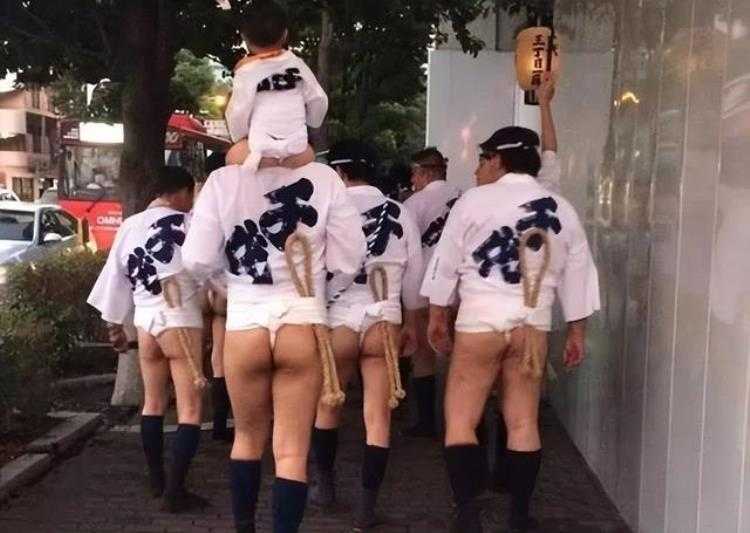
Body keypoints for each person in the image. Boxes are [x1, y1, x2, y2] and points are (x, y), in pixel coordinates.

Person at [422, 125, 600, 532]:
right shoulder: (560, 208)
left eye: (483, 159)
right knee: (523, 422)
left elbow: (446, 262)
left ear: (498, 160)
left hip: (479, 322)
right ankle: (519, 516)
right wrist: (577, 330)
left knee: (461, 420)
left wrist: (436, 315)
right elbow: (578, 273)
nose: (479, 168)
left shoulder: (473, 201)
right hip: (531, 326)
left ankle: (468, 514)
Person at [182, 154, 366, 533]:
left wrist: (230, 287)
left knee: (247, 438)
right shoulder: (325, 178)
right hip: (301, 320)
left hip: (246, 321)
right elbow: (350, 260)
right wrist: (320, 295)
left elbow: (197, 259)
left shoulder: (223, 180)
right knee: (292, 452)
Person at [309, 140, 423, 529]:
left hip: (338, 317)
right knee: (378, 417)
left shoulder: (328, 211)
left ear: (340, 172)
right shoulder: (400, 212)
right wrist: (412, 322)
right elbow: (414, 276)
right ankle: (366, 508)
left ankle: (325, 489)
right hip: (384, 320)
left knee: (328, 405)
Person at [88, 166, 206, 512]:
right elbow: (208, 270)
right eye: (191, 193)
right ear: (181, 192)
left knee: (152, 403)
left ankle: (156, 481)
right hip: (181, 322)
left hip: (146, 323)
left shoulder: (130, 225)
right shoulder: (190, 225)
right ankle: (175, 491)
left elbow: (114, 278)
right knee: (190, 409)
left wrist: (114, 326)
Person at [224, 0, 327, 172]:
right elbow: (319, 100)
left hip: (259, 148)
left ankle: (263, 169)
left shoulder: (246, 71)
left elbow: (237, 113)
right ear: (285, 34)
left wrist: (240, 138)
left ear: (244, 38)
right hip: (296, 148)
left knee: (232, 156)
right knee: (310, 155)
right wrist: (313, 121)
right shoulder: (297, 64)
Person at [401, 147, 461, 438]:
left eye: (414, 174)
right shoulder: (464, 197)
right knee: (459, 353)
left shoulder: (414, 204)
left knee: (424, 353)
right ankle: (459, 418)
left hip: (425, 284)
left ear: (425, 173)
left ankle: (427, 422)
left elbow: (407, 251)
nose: (412, 180)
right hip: (462, 285)